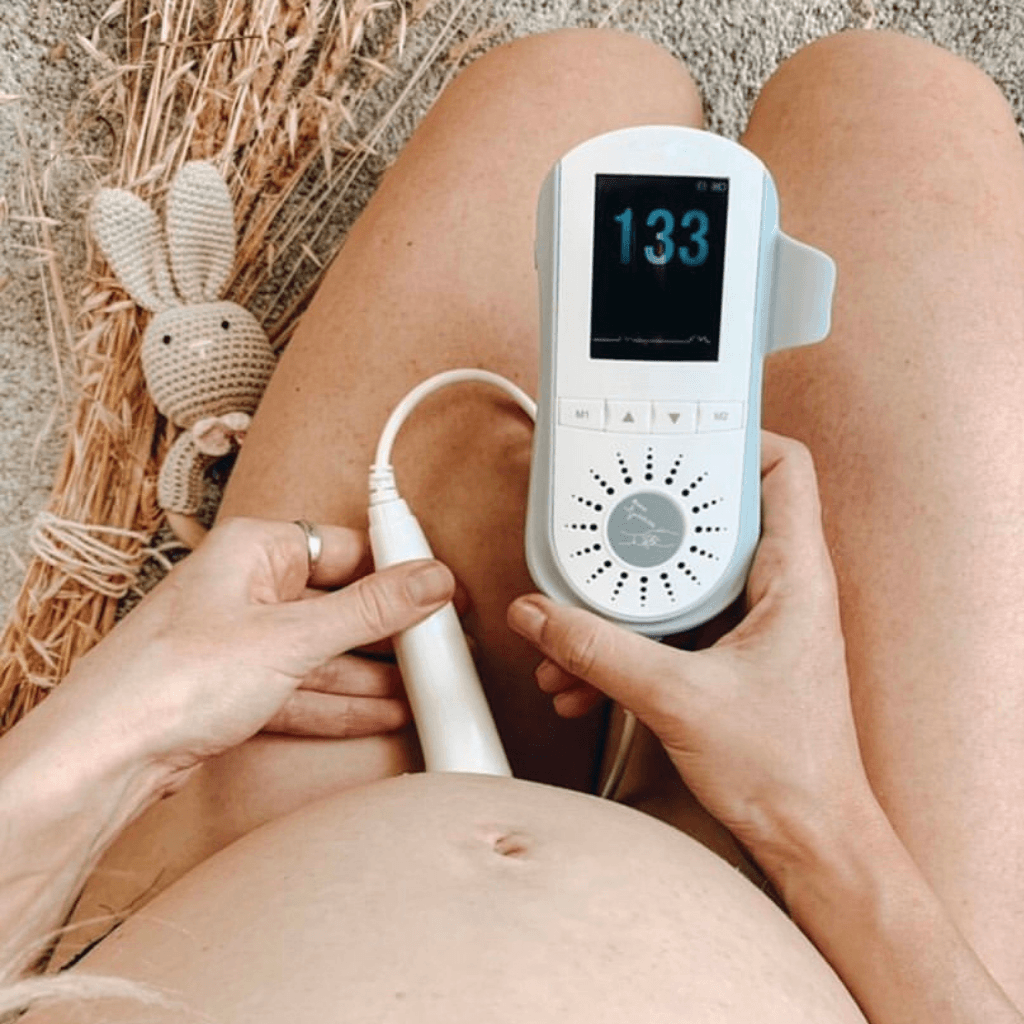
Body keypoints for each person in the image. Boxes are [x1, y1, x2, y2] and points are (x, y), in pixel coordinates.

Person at [1, 23, 1022, 1024]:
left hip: (234, 875)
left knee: (566, 83)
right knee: (894, 102)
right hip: (841, 939)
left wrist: (116, 727)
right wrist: (816, 819)